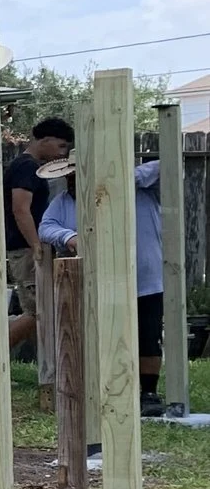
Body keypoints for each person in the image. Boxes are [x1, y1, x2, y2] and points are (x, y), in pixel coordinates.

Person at [41, 152, 168, 414]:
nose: (73, 180)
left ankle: (149, 393)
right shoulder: (64, 202)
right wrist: (69, 236)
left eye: (79, 174)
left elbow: (166, 167)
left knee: (148, 336)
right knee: (101, 335)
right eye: (71, 176)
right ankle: (104, 388)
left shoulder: (139, 189)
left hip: (145, 278)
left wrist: (118, 179)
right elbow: (46, 226)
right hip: (98, 282)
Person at [7, 116, 76, 349]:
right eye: (62, 146)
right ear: (44, 140)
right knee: (36, 310)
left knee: (44, 309)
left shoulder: (30, 167)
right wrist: (36, 246)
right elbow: (20, 209)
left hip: (30, 248)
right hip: (26, 249)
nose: (63, 153)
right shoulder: (26, 167)